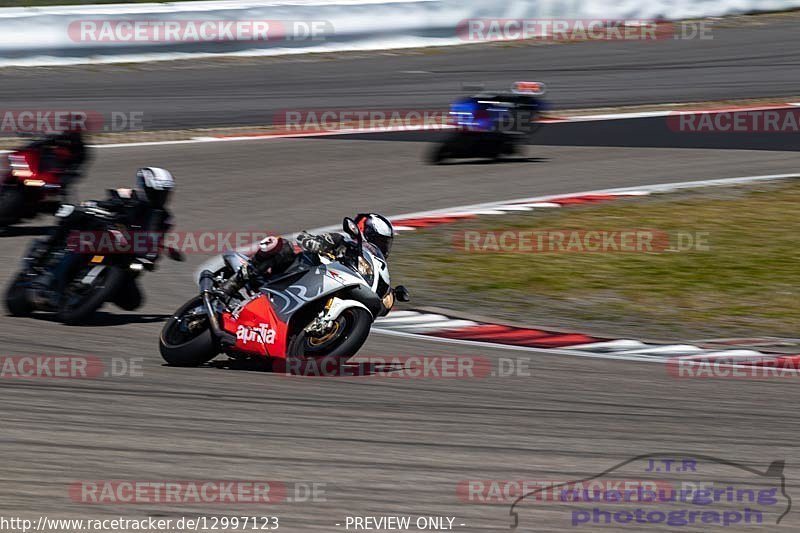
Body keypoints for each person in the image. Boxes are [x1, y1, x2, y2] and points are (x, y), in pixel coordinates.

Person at [29, 167, 176, 310]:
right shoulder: (128, 195)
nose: (161, 197)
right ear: (146, 187)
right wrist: (95, 207)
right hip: (106, 234)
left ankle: (96, 291)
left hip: (127, 254)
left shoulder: (164, 218)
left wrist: (154, 255)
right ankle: (44, 251)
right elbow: (107, 204)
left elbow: (156, 239)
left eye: (165, 193)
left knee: (133, 302)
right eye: (158, 193)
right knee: (73, 215)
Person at [217, 213, 394, 298]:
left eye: (384, 243)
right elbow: (305, 238)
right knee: (280, 245)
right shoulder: (342, 241)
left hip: (317, 293)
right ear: (367, 233)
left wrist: (389, 296)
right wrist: (314, 242)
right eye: (380, 241)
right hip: (295, 274)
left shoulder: (369, 266)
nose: (382, 247)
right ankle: (233, 284)